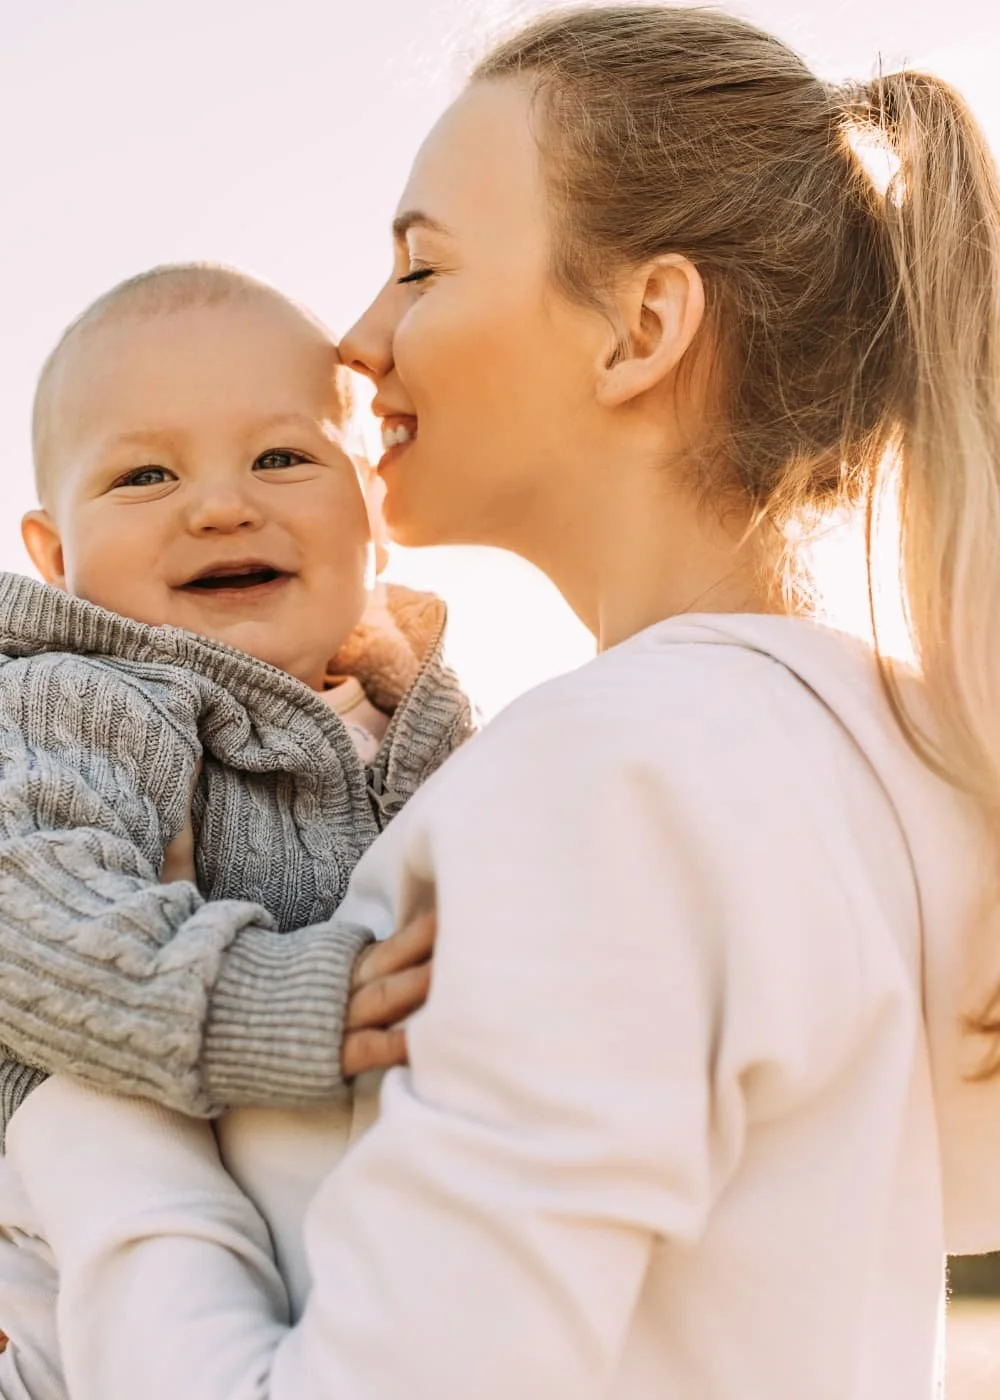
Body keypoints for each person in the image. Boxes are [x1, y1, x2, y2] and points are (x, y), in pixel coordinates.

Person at [8, 6, 1000, 1398]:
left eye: (420, 266)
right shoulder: (903, 772)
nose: (356, 341)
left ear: (641, 329)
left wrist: (87, 1120)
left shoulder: (606, 786)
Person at [0, 263, 473, 1393]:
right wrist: (267, 992)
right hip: (82, 1205)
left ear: (374, 511)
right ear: (57, 557)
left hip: (337, 1216)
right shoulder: (85, 695)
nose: (218, 505)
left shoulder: (417, 721)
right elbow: (25, 904)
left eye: (281, 456)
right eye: (144, 472)